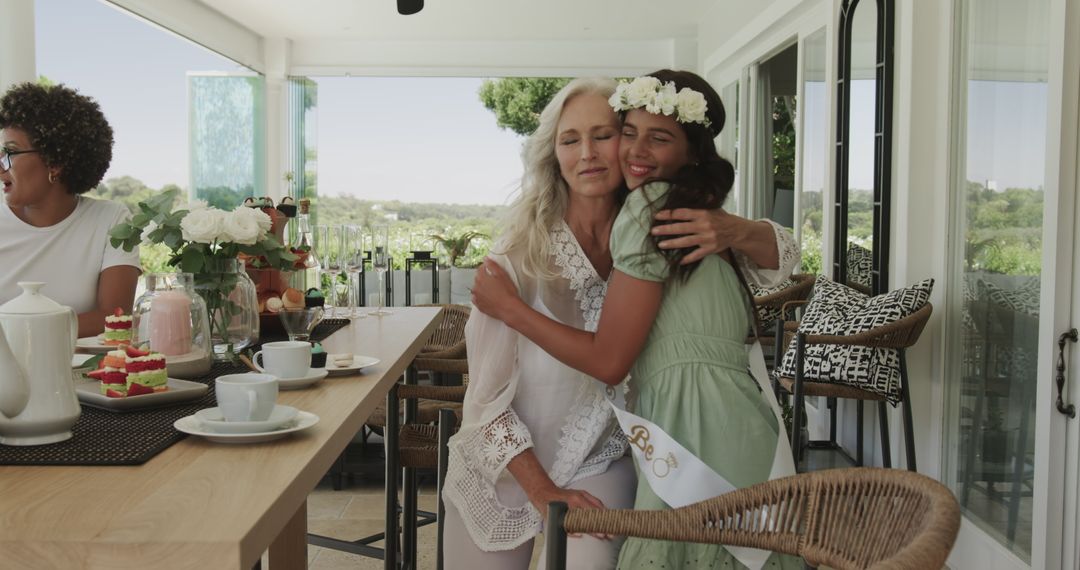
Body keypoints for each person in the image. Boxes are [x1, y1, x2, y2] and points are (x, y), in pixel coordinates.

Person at [445, 75, 798, 569]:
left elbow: (785, 257)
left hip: (603, 460)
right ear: (553, 154)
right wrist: (542, 492)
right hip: (504, 465)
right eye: (570, 140)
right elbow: (484, 403)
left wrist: (731, 227)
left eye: (604, 134)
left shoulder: (668, 222)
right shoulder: (515, 257)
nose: (588, 153)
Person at [0, 82, 139, 337]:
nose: (1, 166)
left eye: (10, 152)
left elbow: (115, 317)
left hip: (80, 363)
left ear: (55, 162)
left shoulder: (112, 220)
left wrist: (19, 330)